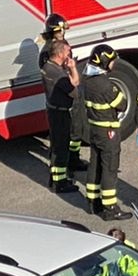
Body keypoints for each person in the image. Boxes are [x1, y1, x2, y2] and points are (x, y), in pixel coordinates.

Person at [79, 45, 131, 217]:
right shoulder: (106, 85)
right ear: (104, 61)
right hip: (108, 131)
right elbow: (122, 104)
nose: (113, 63)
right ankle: (110, 208)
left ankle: (92, 202)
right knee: (109, 168)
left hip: (94, 129)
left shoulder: (87, 81)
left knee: (95, 165)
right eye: (111, 60)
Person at [39, 39, 82, 198]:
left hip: (53, 110)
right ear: (60, 54)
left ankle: (55, 179)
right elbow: (75, 90)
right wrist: (72, 69)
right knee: (61, 148)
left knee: (57, 145)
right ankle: (60, 183)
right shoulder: (59, 75)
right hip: (61, 114)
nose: (69, 54)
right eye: (67, 52)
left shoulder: (47, 67)